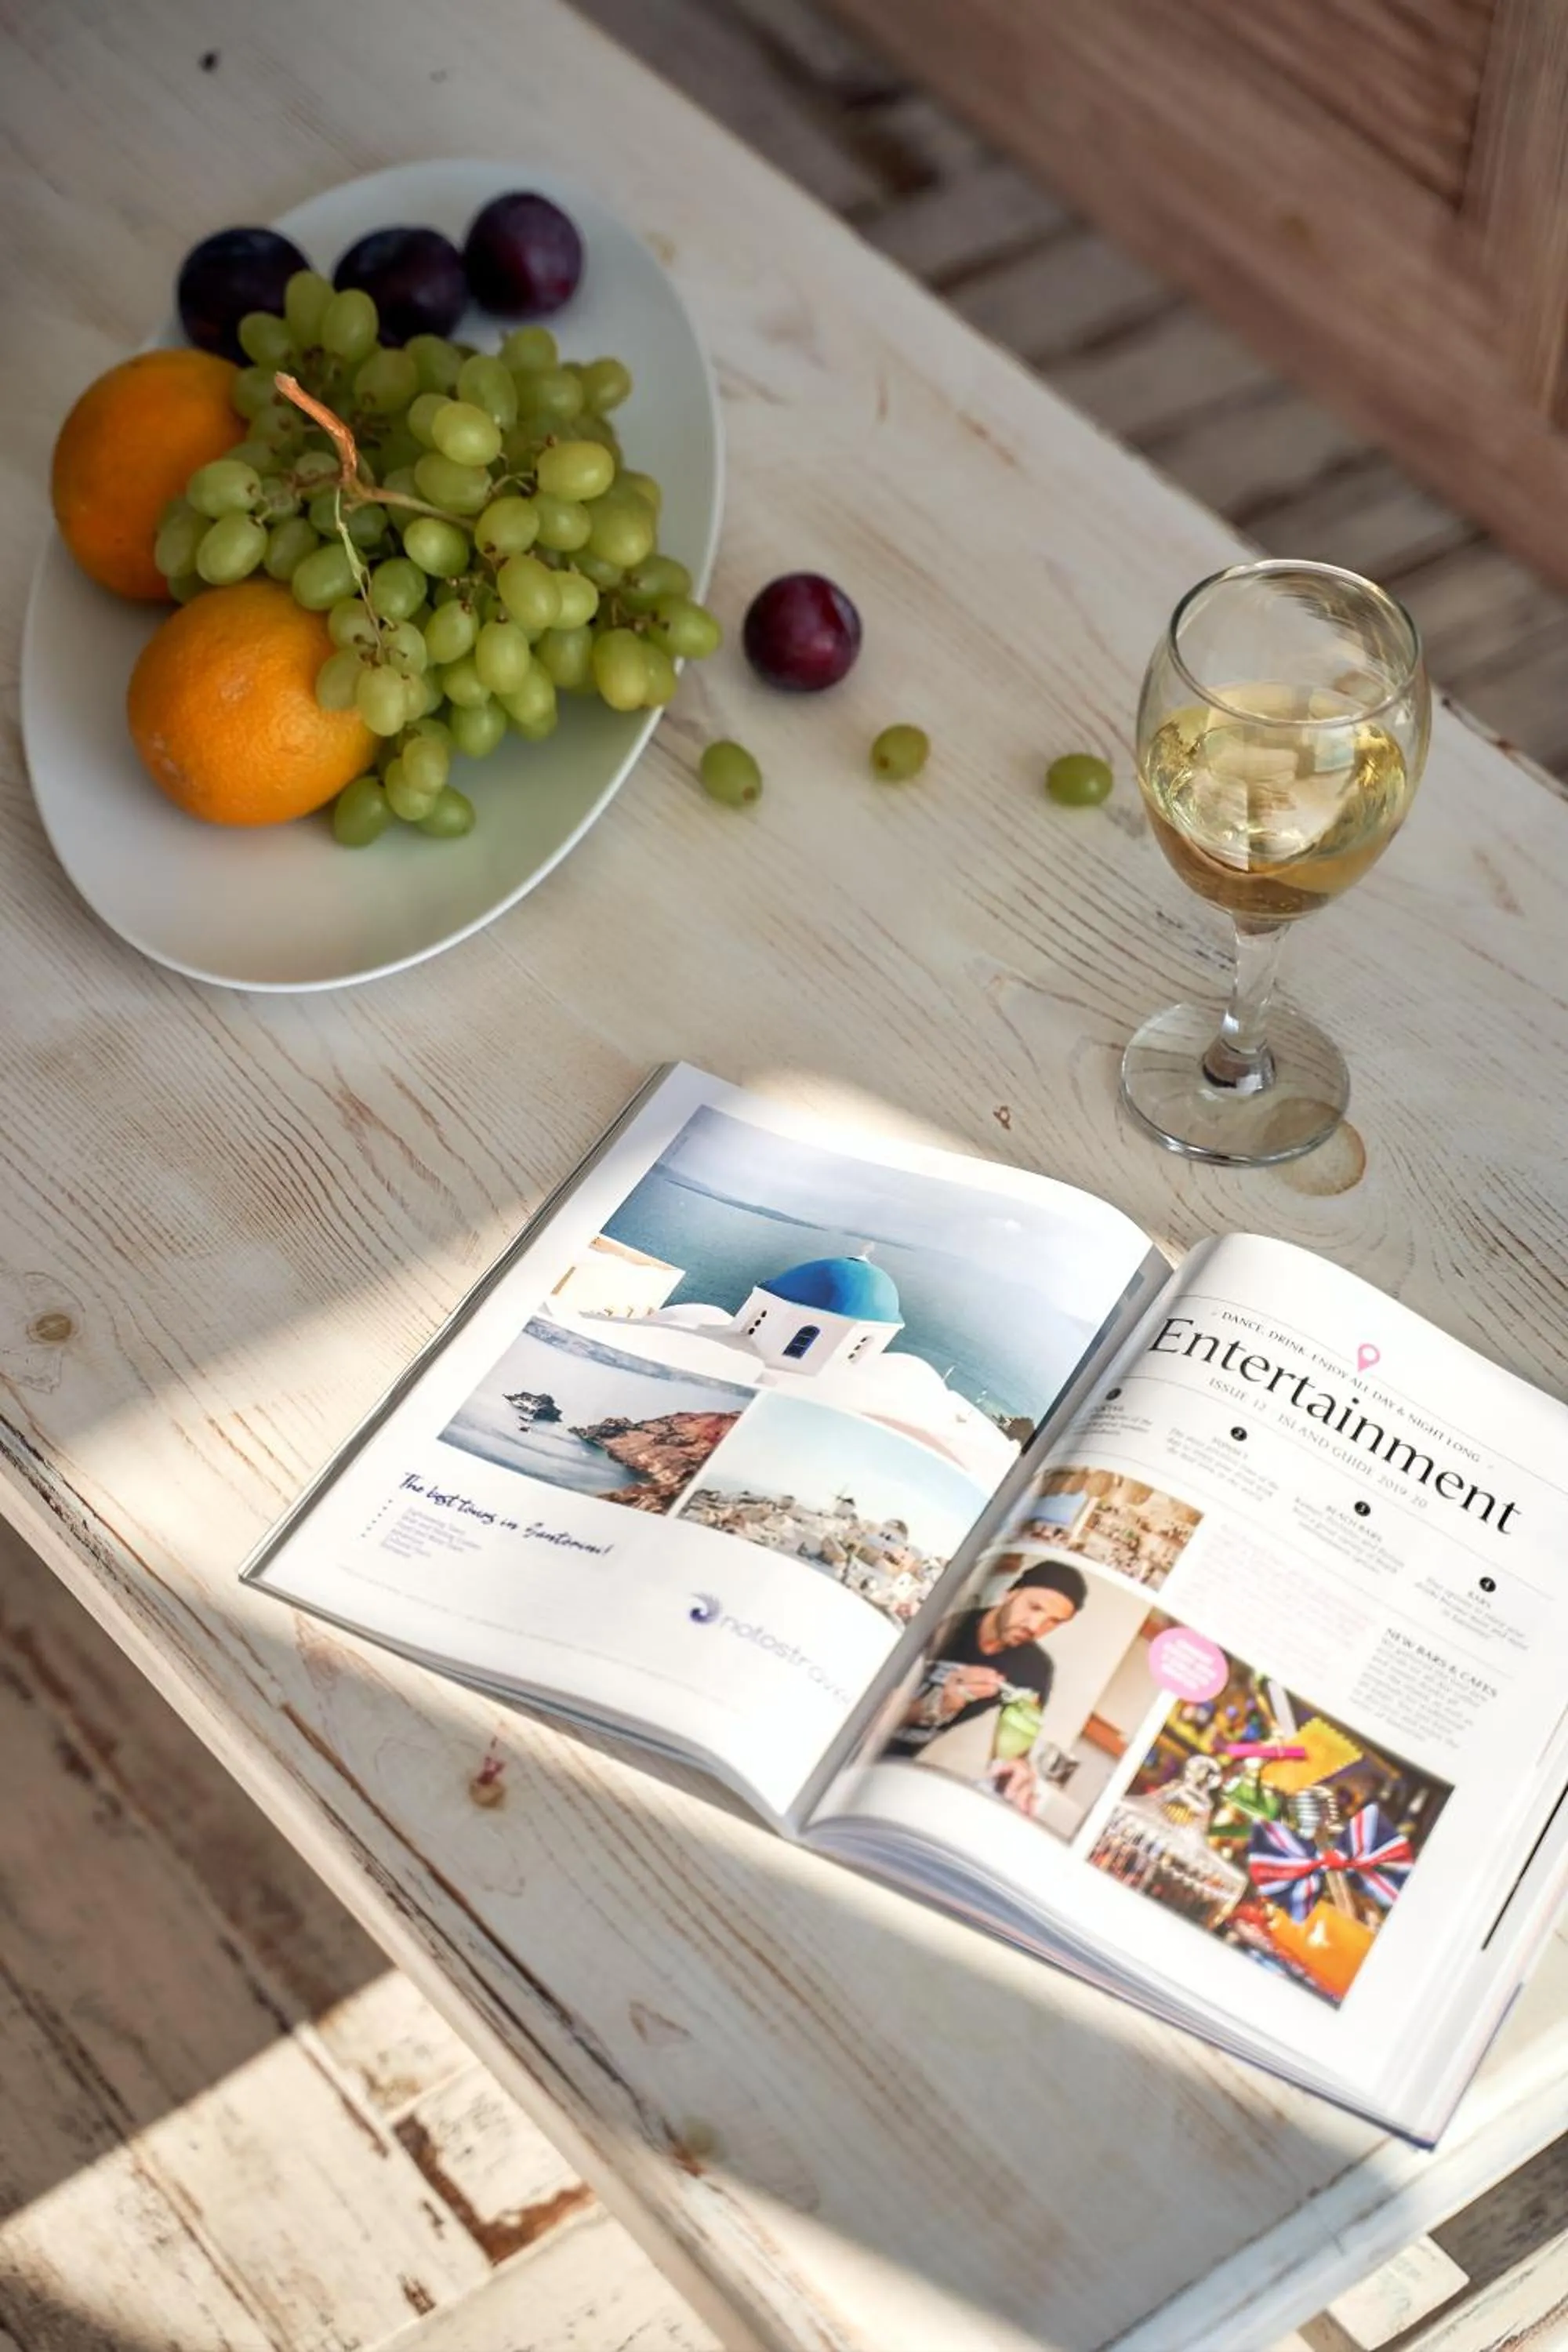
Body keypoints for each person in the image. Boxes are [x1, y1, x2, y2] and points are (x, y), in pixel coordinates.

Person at [884, 1559, 1088, 1784]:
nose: (1035, 1626)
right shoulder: (946, 1621)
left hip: (897, 1771)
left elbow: (1013, 1752)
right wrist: (937, 1706)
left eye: (1053, 1622)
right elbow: (867, 1708)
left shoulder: (1036, 1670)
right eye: (1034, 1607)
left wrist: (1016, 1770)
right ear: (1010, 1593)